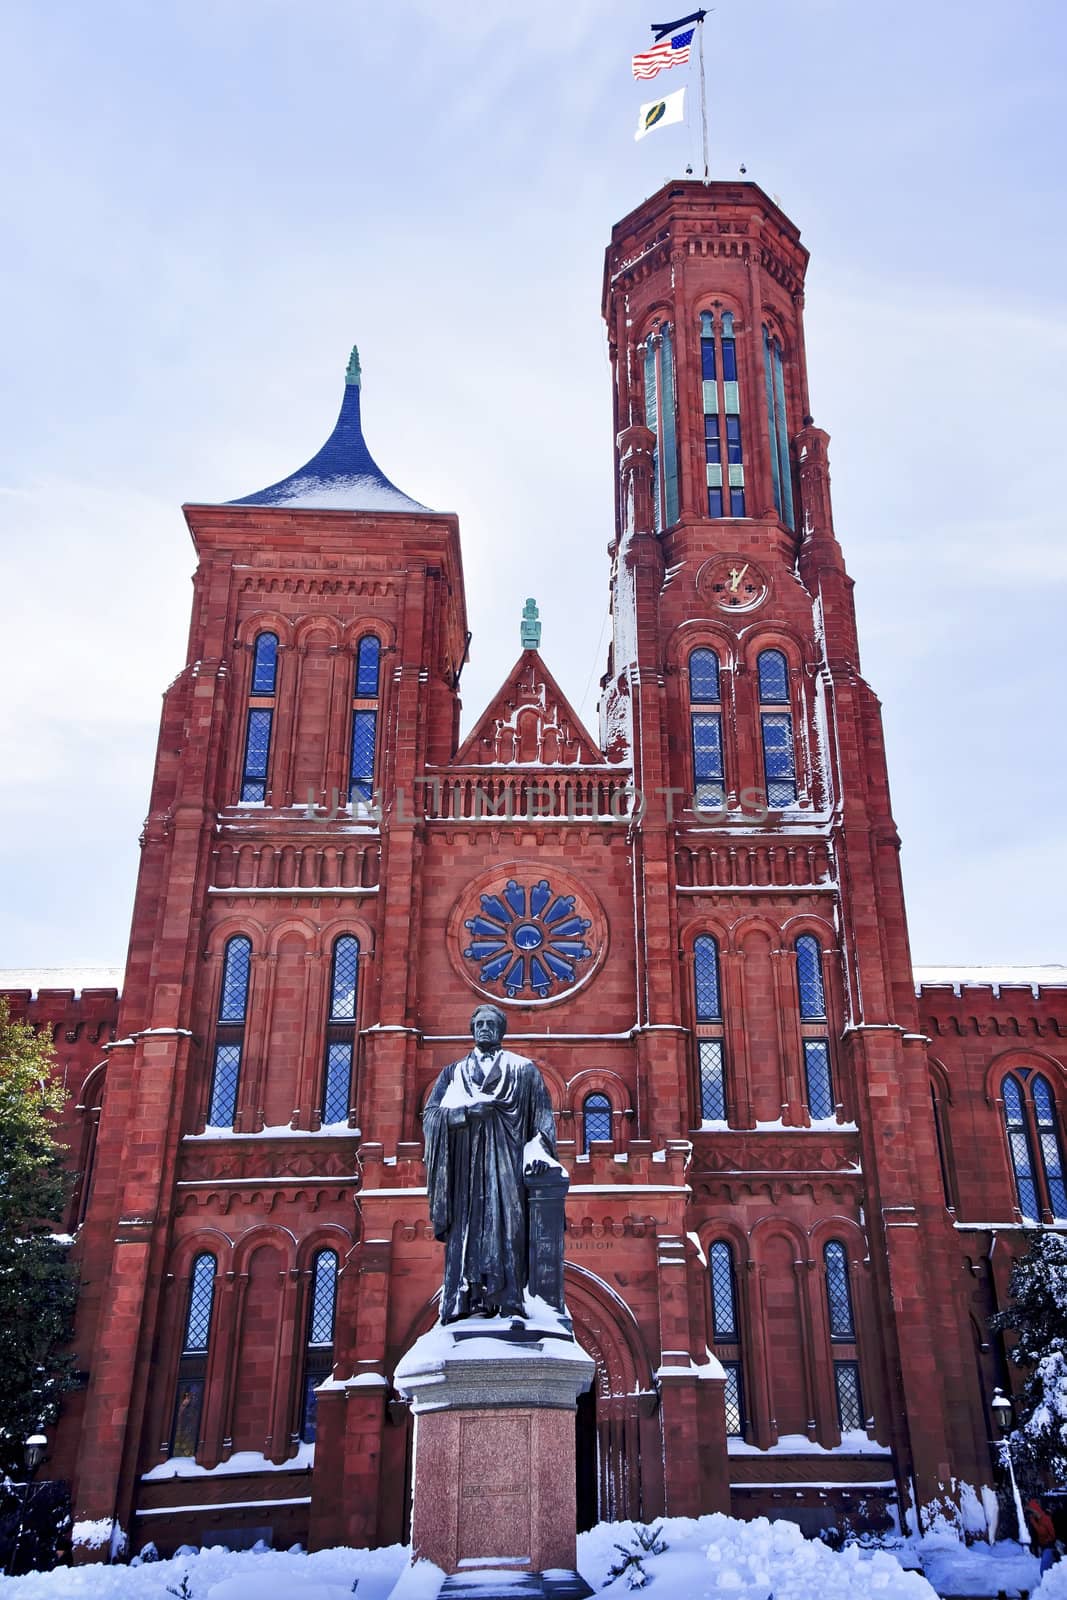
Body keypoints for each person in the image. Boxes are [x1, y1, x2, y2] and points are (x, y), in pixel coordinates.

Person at [422, 1003, 557, 1323]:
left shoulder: (524, 1071)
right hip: (465, 1173)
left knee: (509, 1228)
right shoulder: (452, 1074)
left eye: (491, 1023)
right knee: (466, 1234)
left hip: (507, 1171)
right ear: (471, 1029)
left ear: (501, 1030)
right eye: (479, 1023)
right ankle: (467, 1300)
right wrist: (464, 1113)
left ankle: (510, 1298)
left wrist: (538, 1154)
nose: (485, 1028)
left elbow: (543, 1122)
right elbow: (430, 1117)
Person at [1025, 1496, 1058, 1574]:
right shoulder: (1038, 1520)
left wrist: (1033, 1522)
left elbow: (1042, 1532)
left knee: (1044, 1571)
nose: (1031, 1515)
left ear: (1035, 1510)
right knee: (1049, 1570)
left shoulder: (1045, 1519)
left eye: (1032, 1512)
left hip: (1049, 1547)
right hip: (1043, 1547)